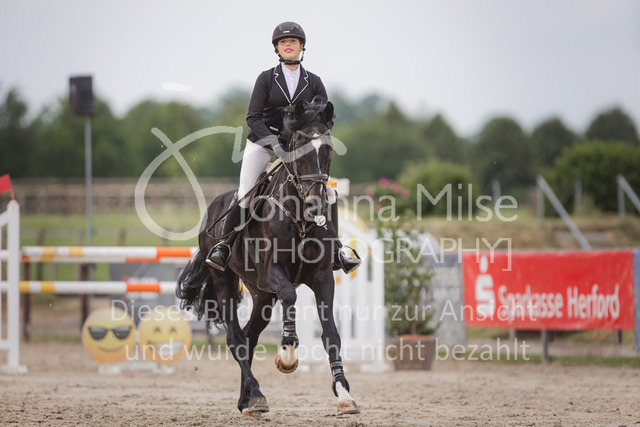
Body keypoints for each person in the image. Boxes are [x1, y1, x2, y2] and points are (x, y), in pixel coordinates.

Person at [205, 21, 360, 274]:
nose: (288, 45)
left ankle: (336, 250)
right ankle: (224, 246)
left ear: (301, 47)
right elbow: (253, 117)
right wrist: (274, 143)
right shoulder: (266, 78)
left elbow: (325, 119)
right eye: (283, 42)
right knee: (245, 192)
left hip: (300, 149)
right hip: (263, 143)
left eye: (293, 41)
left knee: (329, 193)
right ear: (277, 48)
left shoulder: (314, 81)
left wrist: (314, 137)